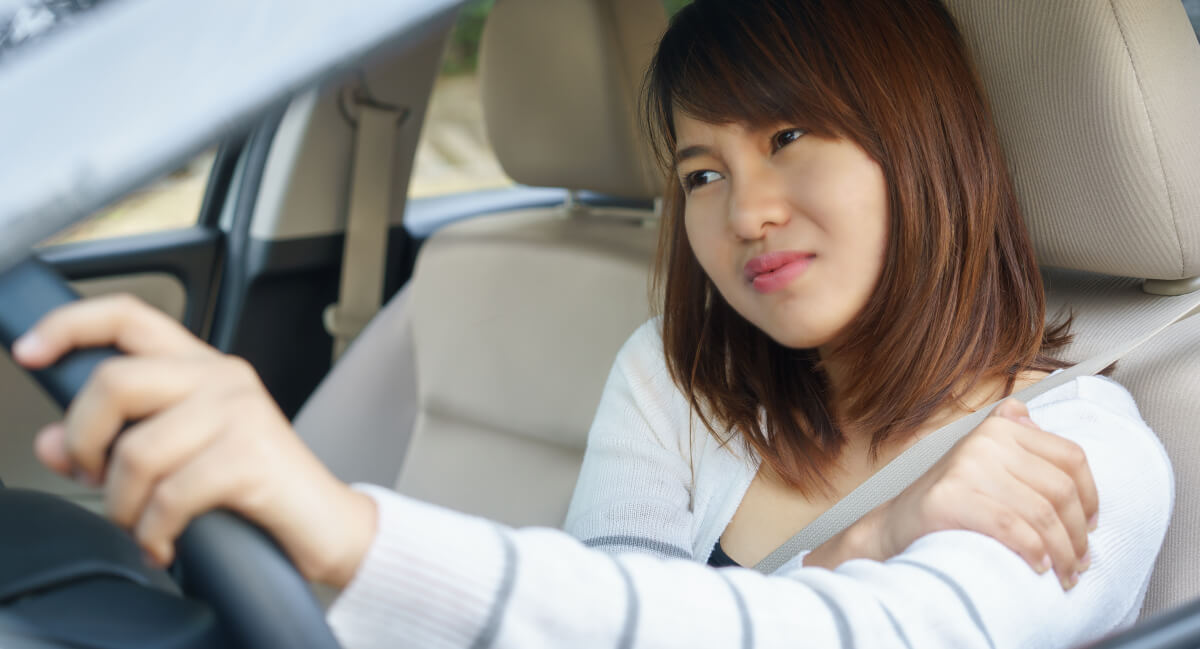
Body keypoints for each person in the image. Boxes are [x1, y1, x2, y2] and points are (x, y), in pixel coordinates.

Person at [8, 0, 1171, 647]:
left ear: (924, 149)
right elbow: (614, 619)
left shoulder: (1087, 451)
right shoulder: (681, 379)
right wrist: (863, 539)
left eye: (788, 137)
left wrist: (349, 535)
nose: (746, 210)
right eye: (701, 172)